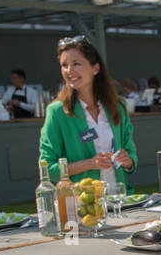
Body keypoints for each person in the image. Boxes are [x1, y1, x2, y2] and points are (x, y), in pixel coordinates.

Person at [38, 35, 137, 189]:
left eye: (76, 64)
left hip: (120, 201)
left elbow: (131, 155)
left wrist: (128, 161)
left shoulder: (118, 106)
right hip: (82, 206)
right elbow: (48, 170)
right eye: (64, 65)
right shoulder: (57, 112)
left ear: (96, 68)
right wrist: (89, 164)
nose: (69, 71)